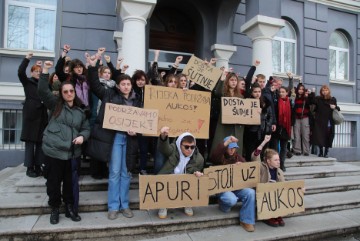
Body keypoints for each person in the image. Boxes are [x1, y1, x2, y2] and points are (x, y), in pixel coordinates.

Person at [86, 57, 140, 220]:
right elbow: (95, 85)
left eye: (128, 84)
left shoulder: (137, 101)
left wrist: (136, 131)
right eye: (123, 84)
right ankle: (113, 206)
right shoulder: (109, 94)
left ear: (131, 86)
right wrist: (93, 66)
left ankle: (125, 205)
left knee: (126, 173)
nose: (126, 86)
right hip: (115, 138)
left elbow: (142, 122)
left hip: (130, 140)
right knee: (115, 172)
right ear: (118, 86)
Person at [37, 61, 90, 225]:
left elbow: (86, 129)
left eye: (71, 91)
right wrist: (45, 70)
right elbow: (42, 91)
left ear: (75, 92)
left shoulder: (80, 111)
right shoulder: (55, 105)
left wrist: (82, 136)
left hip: (72, 153)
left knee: (69, 184)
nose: (68, 93)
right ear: (61, 93)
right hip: (54, 152)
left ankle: (69, 207)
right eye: (65, 91)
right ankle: (54, 208)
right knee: (53, 183)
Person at [210, 135, 256, 232]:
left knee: (250, 193)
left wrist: (242, 166)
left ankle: (246, 220)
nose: (232, 150)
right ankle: (223, 205)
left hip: (237, 188)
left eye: (234, 148)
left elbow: (247, 169)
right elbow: (214, 156)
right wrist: (227, 142)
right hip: (223, 189)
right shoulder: (219, 157)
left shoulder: (238, 157)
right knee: (231, 200)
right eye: (230, 148)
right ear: (225, 148)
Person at [157, 126, 204, 219]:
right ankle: (162, 205)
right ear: (180, 144)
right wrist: (163, 137)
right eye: (186, 147)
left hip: (185, 183)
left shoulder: (199, 158)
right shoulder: (174, 149)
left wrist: (198, 173)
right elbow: (164, 148)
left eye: (192, 147)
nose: (189, 149)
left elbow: (197, 171)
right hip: (169, 178)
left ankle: (188, 203)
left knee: (194, 182)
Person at [18, 52, 48, 178]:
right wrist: (27, 59)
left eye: (39, 71)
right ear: (32, 72)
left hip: (42, 116)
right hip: (31, 117)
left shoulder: (44, 83)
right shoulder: (27, 82)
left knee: (40, 143)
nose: (38, 73)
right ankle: (29, 168)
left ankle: (38, 165)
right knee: (30, 143)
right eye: (36, 71)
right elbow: (20, 72)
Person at [257, 147, 286, 227]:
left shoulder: (279, 171)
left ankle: (277, 215)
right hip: (263, 193)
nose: (278, 162)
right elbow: (255, 157)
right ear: (268, 161)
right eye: (276, 160)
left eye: (279, 160)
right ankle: (268, 216)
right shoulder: (261, 167)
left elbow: (284, 184)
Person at [310, 85, 339, 158]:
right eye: (323, 90)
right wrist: (312, 92)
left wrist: (335, 107)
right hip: (319, 121)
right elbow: (312, 101)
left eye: (326, 90)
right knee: (320, 136)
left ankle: (326, 152)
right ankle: (320, 151)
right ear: (321, 91)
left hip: (328, 121)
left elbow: (338, 108)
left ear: (328, 91)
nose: (324, 92)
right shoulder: (318, 99)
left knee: (328, 136)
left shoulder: (333, 99)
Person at [292, 84, 312, 156]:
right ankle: (297, 150)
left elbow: (311, 103)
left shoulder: (306, 97)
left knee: (305, 135)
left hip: (305, 118)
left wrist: (309, 96)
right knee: (296, 135)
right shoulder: (295, 97)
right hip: (296, 118)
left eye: (302, 89)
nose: (301, 91)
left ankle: (306, 150)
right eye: (299, 89)